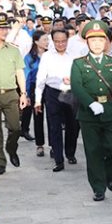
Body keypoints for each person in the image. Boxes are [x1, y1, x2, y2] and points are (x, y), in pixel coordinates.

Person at [70, 20, 112, 201]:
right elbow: (76, 86)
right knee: (93, 151)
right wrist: (90, 103)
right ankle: (98, 187)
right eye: (93, 41)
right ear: (87, 42)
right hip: (88, 115)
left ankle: (109, 172)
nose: (97, 44)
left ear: (106, 42)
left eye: (100, 40)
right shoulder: (79, 64)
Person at [34, 28, 79, 172]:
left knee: (73, 125)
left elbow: (81, 75)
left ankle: (70, 153)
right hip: (52, 93)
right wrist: (38, 100)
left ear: (67, 40)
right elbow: (40, 78)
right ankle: (58, 159)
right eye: (57, 41)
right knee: (54, 126)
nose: (60, 44)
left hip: (70, 92)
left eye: (63, 41)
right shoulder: (47, 56)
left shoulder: (74, 55)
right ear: (53, 41)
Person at [0, 13, 29, 176]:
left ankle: (11, 148)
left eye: (5, 27)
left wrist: (23, 93)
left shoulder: (14, 50)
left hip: (10, 93)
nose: (3, 30)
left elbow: (19, 72)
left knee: (15, 128)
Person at [21, 31, 47, 156]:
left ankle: (53, 145)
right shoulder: (29, 57)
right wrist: (25, 93)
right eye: (44, 40)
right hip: (34, 88)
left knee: (53, 118)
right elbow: (26, 76)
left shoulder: (50, 55)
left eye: (47, 40)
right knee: (38, 117)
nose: (47, 42)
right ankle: (40, 145)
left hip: (50, 88)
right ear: (36, 41)